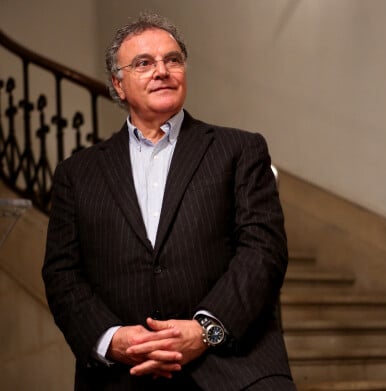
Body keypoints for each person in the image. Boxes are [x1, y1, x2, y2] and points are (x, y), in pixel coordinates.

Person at [42, 12, 296, 391]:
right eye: (144, 63)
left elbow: (263, 250)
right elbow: (63, 273)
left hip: (233, 367)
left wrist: (205, 329)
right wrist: (113, 340)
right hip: (123, 374)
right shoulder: (76, 173)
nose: (162, 70)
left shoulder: (239, 149)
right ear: (118, 84)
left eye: (172, 60)